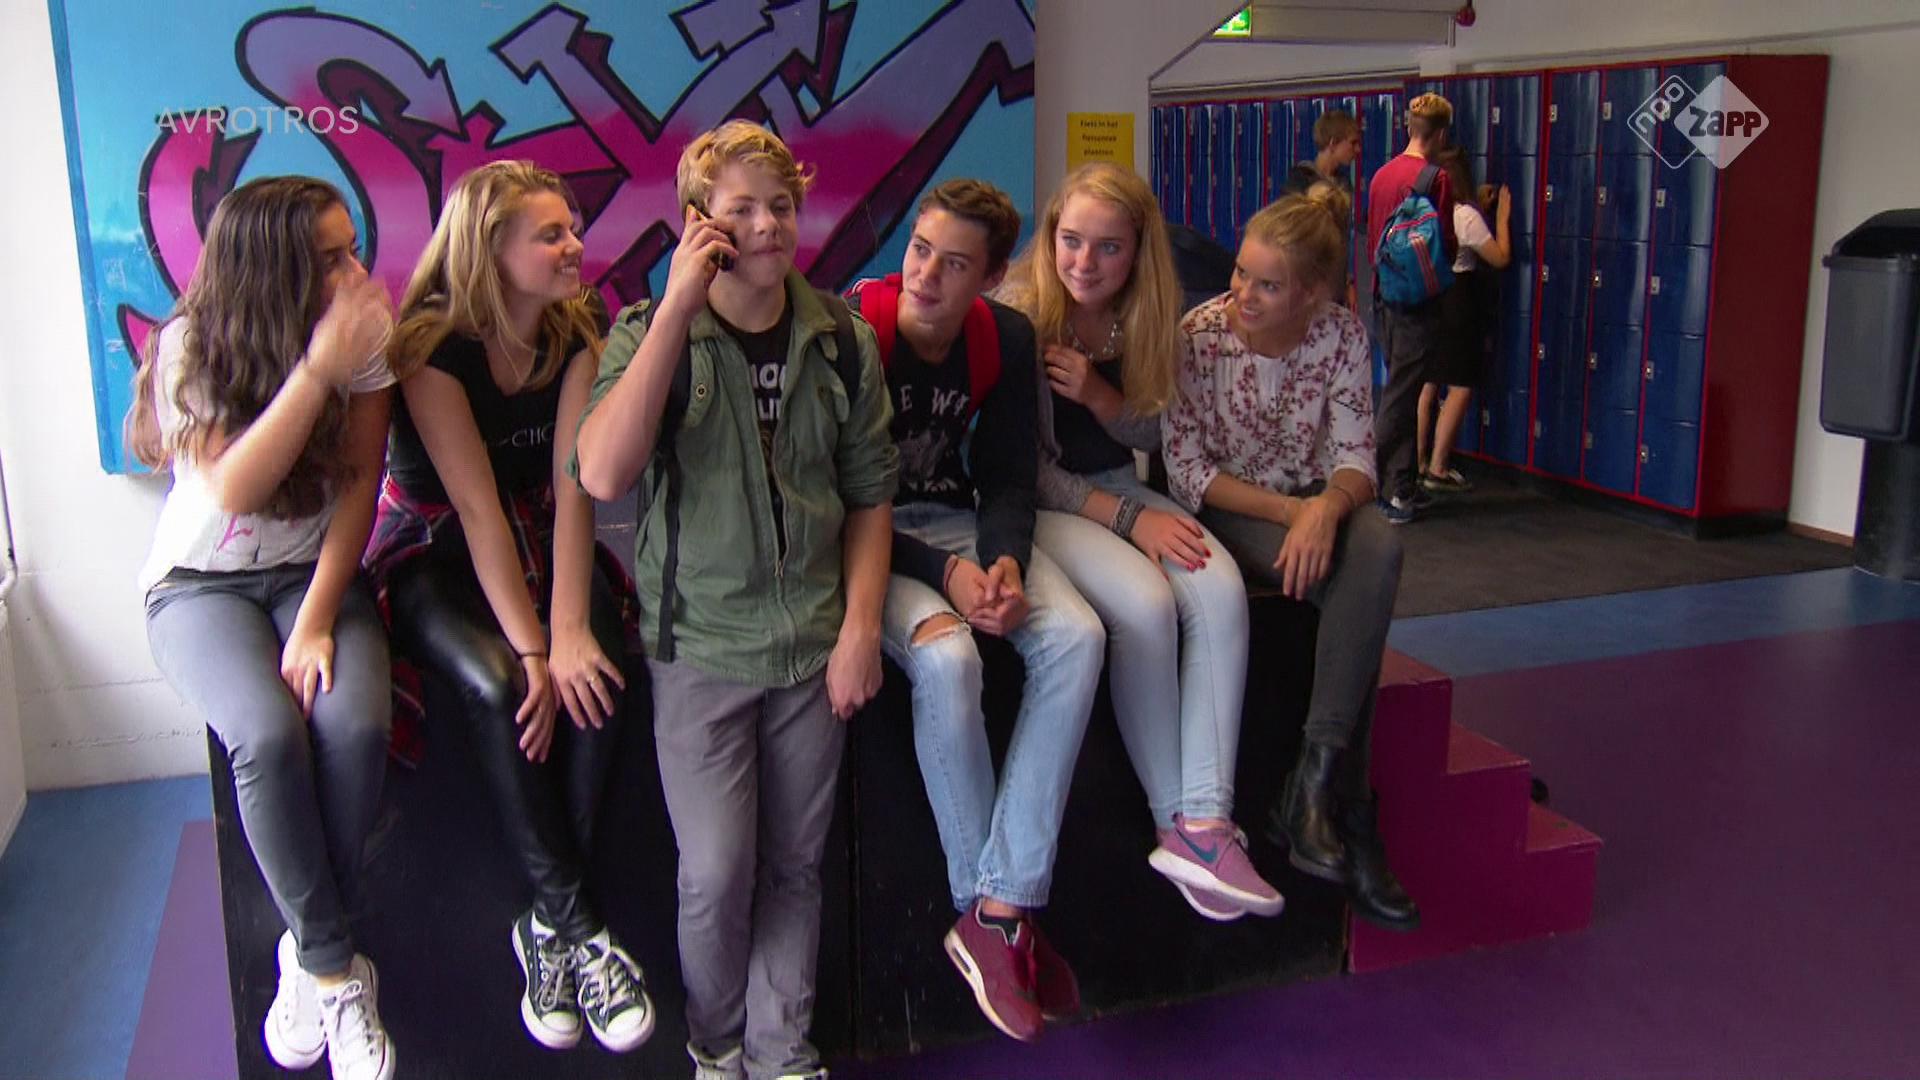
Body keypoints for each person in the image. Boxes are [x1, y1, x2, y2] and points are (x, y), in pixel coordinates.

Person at [572, 120, 898, 1080]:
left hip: (811, 648)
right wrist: (676, 308)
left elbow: (870, 494)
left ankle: (780, 1049)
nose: (766, 226)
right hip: (701, 648)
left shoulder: (839, 339)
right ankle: (716, 1048)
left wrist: (861, 630)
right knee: (715, 874)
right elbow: (603, 473)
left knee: (796, 866)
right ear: (698, 221)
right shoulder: (648, 332)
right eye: (741, 208)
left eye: (781, 206)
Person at [368, 160, 653, 1056]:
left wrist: (569, 632)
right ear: (491, 252)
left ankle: (546, 926)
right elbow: (477, 510)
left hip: (541, 534)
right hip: (436, 548)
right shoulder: (430, 348)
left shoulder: (576, 327)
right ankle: (580, 927)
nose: (576, 245)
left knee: (598, 676)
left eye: (572, 228)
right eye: (551, 234)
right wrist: (534, 652)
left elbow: (574, 491)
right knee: (503, 688)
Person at [132, 176, 398, 1080]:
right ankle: (334, 969)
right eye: (328, 260)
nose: (353, 273)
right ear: (272, 269)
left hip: (312, 575)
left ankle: (311, 953)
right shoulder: (191, 343)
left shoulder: (366, 334)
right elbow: (235, 490)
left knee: (356, 723)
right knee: (265, 734)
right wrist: (318, 368)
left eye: (352, 249)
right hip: (197, 585)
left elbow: (359, 488)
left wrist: (317, 619)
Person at [848, 179, 1105, 1043]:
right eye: (920, 251)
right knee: (950, 658)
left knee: (1076, 636)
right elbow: (836, 503)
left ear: (991, 278)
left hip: (954, 522)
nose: (925, 275)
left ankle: (998, 909)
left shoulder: (1006, 336)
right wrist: (945, 576)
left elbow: (1006, 476)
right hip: (869, 540)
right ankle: (997, 914)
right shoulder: (857, 334)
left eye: (954, 265)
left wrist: (1002, 562)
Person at [997, 162, 1284, 927]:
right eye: (1071, 240)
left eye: (1108, 247)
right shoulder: (1021, 317)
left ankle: (1206, 821)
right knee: (1149, 605)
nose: (1085, 263)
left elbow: (1157, 432)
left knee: (1218, 584)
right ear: (1049, 236)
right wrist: (1131, 521)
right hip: (1052, 504)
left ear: (1138, 252)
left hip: (1119, 486)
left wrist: (1101, 396)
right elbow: (1025, 472)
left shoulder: (1150, 316)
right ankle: (1173, 820)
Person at [1163, 186, 1420, 932]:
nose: (1242, 292)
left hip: (1312, 504)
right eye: (1241, 273)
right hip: (1234, 508)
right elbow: (1187, 473)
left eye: (1267, 284)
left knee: (1380, 545)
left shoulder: (1341, 336)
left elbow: (1357, 459)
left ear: (1310, 293)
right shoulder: (1199, 336)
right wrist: (1296, 514)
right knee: (1361, 589)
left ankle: (1312, 780)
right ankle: (1351, 813)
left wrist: (1327, 508)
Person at [1366, 92, 1457, 524]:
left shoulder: (1381, 175)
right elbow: (1445, 244)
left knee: (1400, 388)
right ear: (1440, 134)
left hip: (1382, 296)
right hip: (1417, 303)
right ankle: (1362, 486)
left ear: (1408, 127)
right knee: (1400, 397)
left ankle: (1402, 489)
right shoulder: (1436, 179)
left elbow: (1372, 239)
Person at [1418, 149, 1512, 495]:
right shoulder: (1467, 216)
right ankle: (1439, 467)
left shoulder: (1427, 211)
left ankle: (1417, 463)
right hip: (1458, 302)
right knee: (1459, 386)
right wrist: (1500, 218)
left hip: (1430, 297)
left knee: (1427, 384)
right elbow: (1500, 258)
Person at [1283, 109, 1361, 196]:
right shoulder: (1299, 181)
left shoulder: (1343, 182)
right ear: (1333, 143)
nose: (1358, 149)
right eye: (1353, 143)